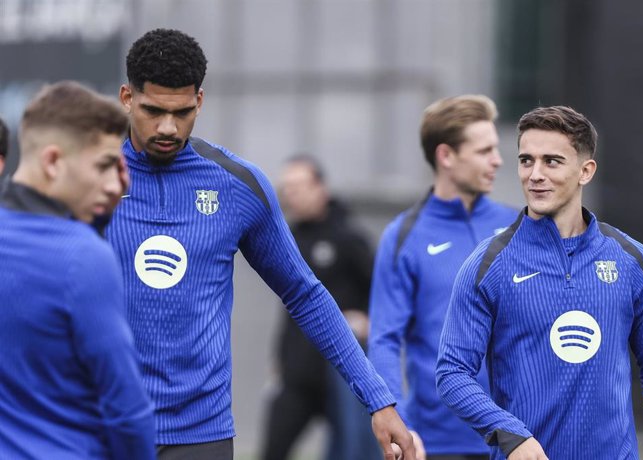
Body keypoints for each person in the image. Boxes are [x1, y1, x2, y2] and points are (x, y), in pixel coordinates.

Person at [106, 28, 415, 460]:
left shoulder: (238, 186)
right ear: (126, 97)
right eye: (153, 110)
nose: (167, 127)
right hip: (102, 426)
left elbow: (305, 294)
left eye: (181, 112)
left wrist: (377, 398)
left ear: (200, 100)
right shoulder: (90, 179)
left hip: (200, 432)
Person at [436, 105, 643, 459]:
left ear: (586, 171)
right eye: (526, 160)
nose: (535, 174)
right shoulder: (487, 265)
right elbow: (452, 373)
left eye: (551, 161)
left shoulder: (631, 260)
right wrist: (511, 435)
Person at [0, 81, 155, 459]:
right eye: (103, 166)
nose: (114, 184)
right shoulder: (83, 257)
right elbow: (127, 409)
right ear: (52, 161)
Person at [368, 95, 517, 460]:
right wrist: (399, 422)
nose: (498, 160)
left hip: (519, 439)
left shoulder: (520, 227)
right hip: (438, 444)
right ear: (446, 156)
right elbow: (385, 339)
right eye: (484, 151)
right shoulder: (403, 236)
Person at [261, 154, 381, 460]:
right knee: (273, 448)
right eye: (287, 188)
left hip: (341, 375)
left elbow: (382, 293)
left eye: (299, 186)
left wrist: (368, 320)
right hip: (298, 374)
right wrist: (280, 358)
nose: (292, 195)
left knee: (350, 451)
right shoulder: (287, 237)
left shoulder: (347, 237)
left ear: (320, 188)